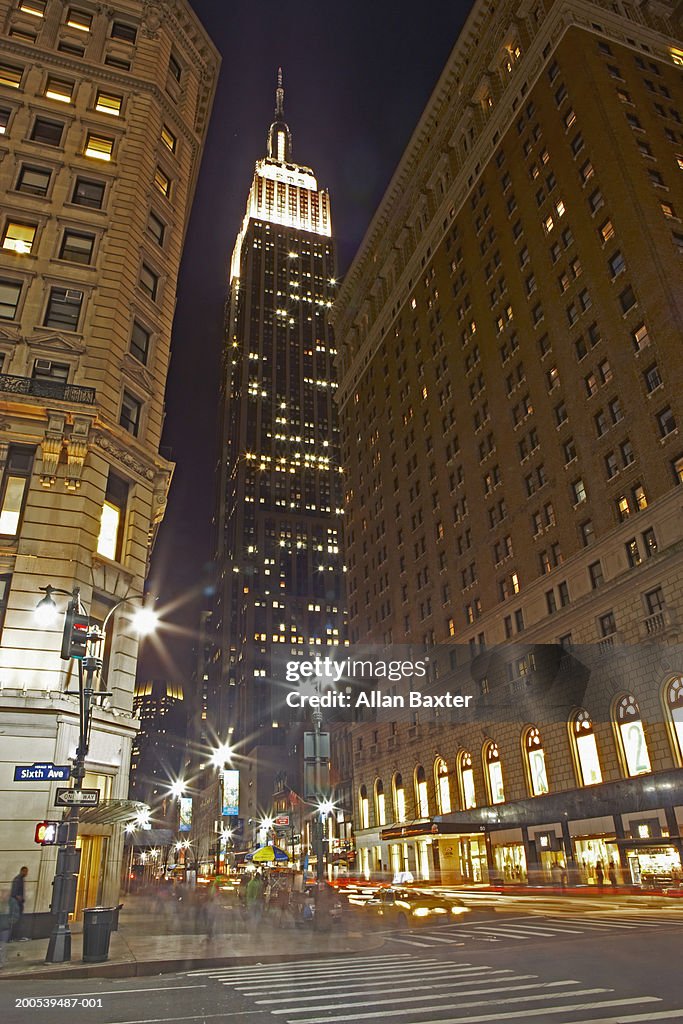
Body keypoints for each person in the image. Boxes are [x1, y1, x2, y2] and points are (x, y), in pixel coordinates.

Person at [9, 867, 28, 941]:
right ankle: (13, 937)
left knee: (17, 920)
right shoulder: (18, 880)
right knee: (16, 920)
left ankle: (14, 937)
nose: (26, 873)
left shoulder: (20, 879)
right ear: (22, 871)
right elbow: (15, 892)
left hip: (17, 902)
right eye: (25, 872)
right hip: (16, 903)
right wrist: (20, 899)